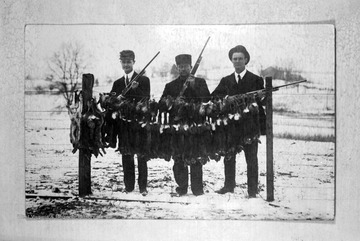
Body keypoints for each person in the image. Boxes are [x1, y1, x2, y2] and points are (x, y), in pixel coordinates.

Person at [211, 45, 266, 198]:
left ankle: (252, 190)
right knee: (229, 157)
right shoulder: (226, 80)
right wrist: (225, 99)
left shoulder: (256, 80)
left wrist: (262, 96)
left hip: (250, 126)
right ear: (231, 61)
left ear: (246, 60)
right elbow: (214, 97)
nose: (237, 61)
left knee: (251, 158)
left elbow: (265, 101)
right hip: (231, 126)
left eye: (240, 58)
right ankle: (229, 186)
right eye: (234, 59)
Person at [160, 54, 210, 196]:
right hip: (177, 127)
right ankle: (181, 187)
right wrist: (171, 103)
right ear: (177, 68)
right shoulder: (170, 86)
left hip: (195, 127)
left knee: (196, 157)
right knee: (178, 157)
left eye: (186, 66)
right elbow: (161, 105)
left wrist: (193, 85)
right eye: (180, 66)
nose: (183, 69)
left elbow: (207, 99)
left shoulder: (200, 82)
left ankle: (197, 189)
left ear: (191, 66)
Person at [110, 50, 150, 196]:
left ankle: (143, 187)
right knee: (126, 155)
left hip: (139, 125)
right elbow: (111, 103)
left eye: (129, 62)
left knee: (141, 155)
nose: (126, 64)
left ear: (134, 62)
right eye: (124, 62)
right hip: (124, 126)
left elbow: (146, 99)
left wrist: (136, 89)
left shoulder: (144, 81)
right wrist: (118, 98)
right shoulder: (117, 83)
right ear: (121, 63)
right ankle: (129, 186)